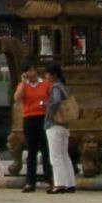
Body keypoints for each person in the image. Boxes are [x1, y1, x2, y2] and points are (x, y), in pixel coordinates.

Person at [13, 63, 51, 193]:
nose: (31, 73)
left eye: (33, 70)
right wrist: (23, 84)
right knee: (31, 150)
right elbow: (17, 98)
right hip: (29, 118)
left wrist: (45, 104)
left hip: (43, 116)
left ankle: (48, 178)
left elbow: (51, 99)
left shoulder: (45, 84)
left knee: (46, 149)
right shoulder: (23, 85)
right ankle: (30, 181)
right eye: (28, 71)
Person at [43, 63, 76, 195]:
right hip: (64, 125)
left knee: (55, 156)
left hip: (54, 124)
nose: (46, 77)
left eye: (47, 74)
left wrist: (47, 107)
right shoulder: (65, 87)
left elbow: (55, 101)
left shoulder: (55, 87)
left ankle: (59, 183)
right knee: (64, 155)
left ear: (53, 75)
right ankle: (70, 182)